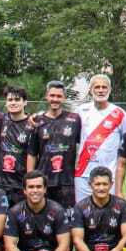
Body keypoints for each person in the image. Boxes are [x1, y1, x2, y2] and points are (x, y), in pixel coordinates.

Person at [74, 74, 126, 203]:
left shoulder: (119, 113)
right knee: (82, 213)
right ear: (91, 90)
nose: (100, 90)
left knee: (107, 216)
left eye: (104, 87)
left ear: (109, 90)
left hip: (108, 176)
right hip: (83, 174)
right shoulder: (81, 110)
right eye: (97, 87)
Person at [27, 81, 82, 209]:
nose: (55, 99)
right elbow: (32, 153)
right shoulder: (37, 121)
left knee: (66, 222)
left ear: (64, 98)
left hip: (67, 182)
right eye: (52, 96)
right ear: (47, 96)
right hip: (44, 181)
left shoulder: (75, 120)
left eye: (58, 96)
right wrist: (30, 179)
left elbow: (84, 145)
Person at [0, 85, 36, 206]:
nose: (13, 103)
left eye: (17, 100)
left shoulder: (33, 124)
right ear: (6, 103)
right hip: (1, 183)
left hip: (20, 183)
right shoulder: (1, 120)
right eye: (10, 100)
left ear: (25, 102)